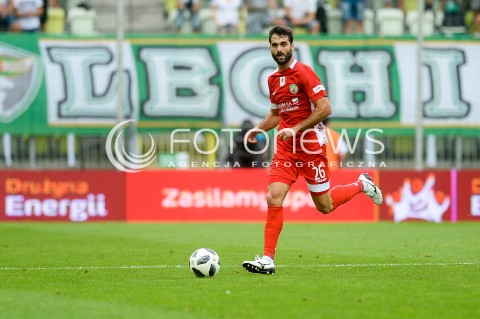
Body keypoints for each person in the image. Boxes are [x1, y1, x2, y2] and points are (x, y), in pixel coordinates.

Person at [242, 25, 383, 275]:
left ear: (292, 46)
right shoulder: (272, 79)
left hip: (310, 148)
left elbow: (325, 108)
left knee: (325, 206)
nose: (279, 49)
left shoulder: (304, 73)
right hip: (286, 149)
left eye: (284, 44)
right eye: (275, 45)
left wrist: (296, 128)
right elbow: (277, 114)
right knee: (273, 197)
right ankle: (267, 259)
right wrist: (259, 129)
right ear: (270, 48)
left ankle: (362, 184)